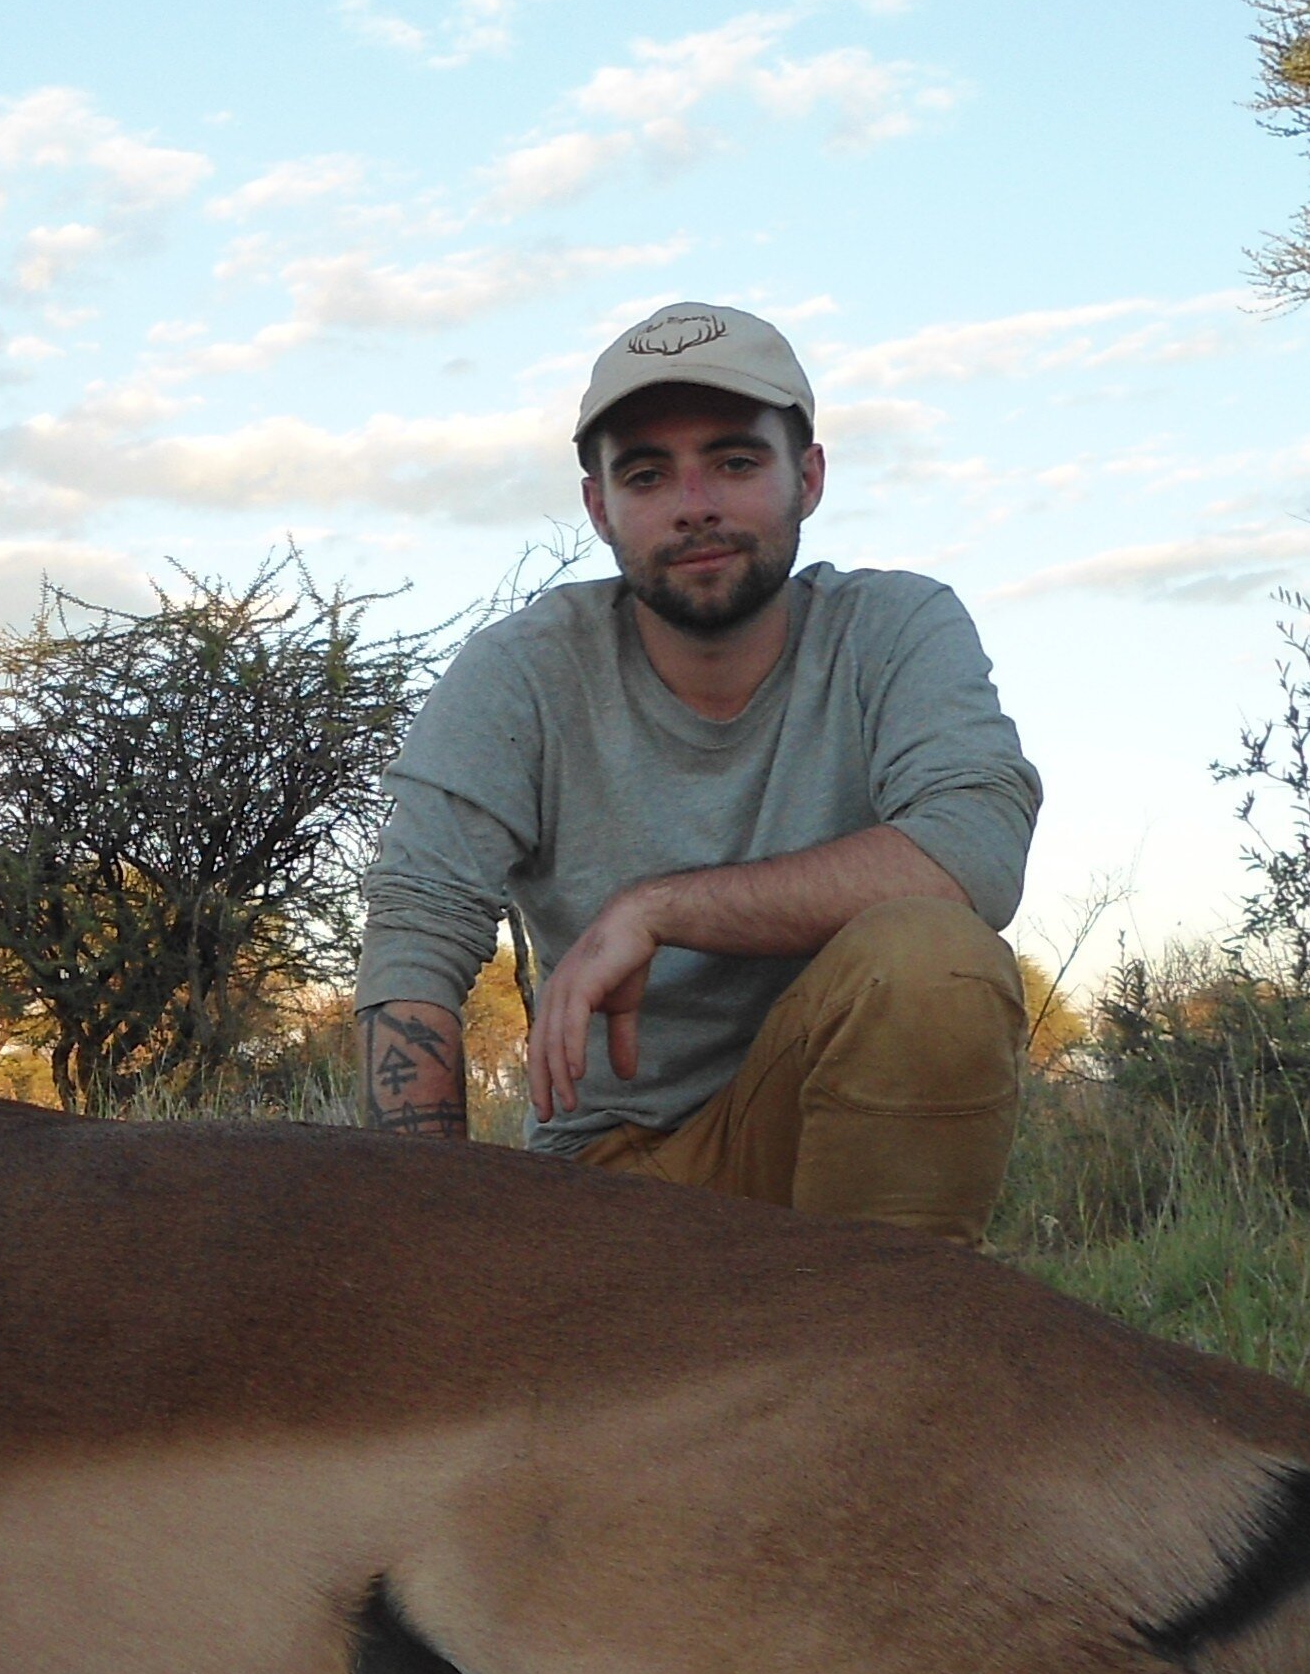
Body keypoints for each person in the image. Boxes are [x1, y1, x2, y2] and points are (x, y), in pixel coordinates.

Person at [352, 300, 1041, 1241]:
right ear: (600, 508)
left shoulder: (897, 627)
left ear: (809, 475)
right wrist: (434, 1240)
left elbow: (974, 852)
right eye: (646, 474)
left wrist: (658, 910)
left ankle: (879, 1349)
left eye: (735, 460)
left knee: (933, 962)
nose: (695, 505)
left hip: (823, 1159)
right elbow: (416, 938)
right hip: (606, 1178)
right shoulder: (520, 670)